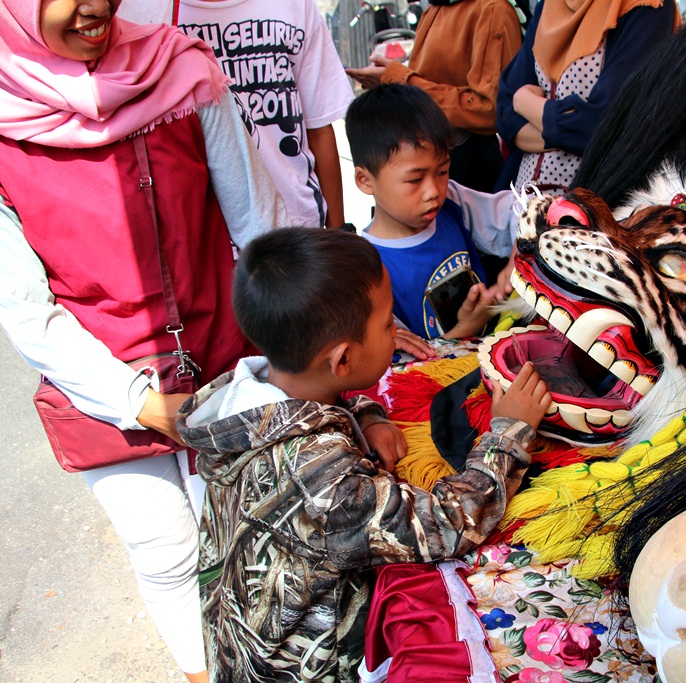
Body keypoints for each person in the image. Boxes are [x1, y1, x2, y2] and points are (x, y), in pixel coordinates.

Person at [0, 0, 290, 681]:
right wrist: (135, 400)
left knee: (260, 536)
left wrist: (299, 340)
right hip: (100, 386)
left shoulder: (182, 71)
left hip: (228, 357)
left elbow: (259, 224)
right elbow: (24, 310)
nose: (93, 5)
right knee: (165, 549)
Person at [177, 227, 551, 682]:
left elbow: (324, 401)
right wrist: (508, 432)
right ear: (342, 361)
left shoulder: (254, 398)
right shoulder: (321, 480)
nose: (396, 332)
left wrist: (367, 413)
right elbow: (449, 524)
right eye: (388, 322)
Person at [346, 84, 519, 340]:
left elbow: (521, 210)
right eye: (415, 180)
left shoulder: (453, 201)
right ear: (365, 180)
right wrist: (463, 332)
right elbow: (402, 367)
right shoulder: (365, 270)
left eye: (442, 171)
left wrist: (519, 254)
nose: (433, 191)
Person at [177, 0, 353, 228]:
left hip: (296, 228)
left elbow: (319, 128)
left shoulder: (294, 5)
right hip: (208, 236)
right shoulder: (151, 12)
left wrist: (339, 235)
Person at [495, 0, 677, 194]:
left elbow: (606, 126)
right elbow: (505, 113)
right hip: (520, 203)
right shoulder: (549, 6)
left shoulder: (646, 7)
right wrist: (568, 130)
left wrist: (525, 102)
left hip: (596, 208)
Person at [345, 0, 523, 193]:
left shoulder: (492, 9)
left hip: (467, 165)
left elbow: (490, 109)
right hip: (428, 153)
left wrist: (401, 81)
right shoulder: (434, 8)